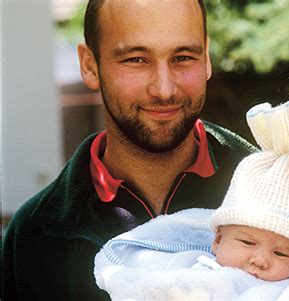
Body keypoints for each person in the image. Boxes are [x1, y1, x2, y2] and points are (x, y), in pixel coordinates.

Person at [2, 0, 256, 300]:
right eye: (136, 60)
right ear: (89, 65)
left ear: (207, 59)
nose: (164, 89)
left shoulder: (279, 193)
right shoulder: (34, 235)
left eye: (183, 57)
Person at [93, 101, 289, 300]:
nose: (261, 260)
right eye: (248, 243)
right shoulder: (188, 271)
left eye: (281, 253)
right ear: (218, 239)